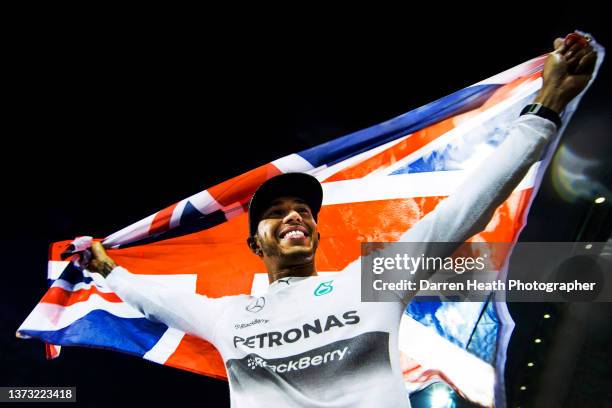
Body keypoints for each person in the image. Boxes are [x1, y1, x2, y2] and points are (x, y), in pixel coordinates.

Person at [86, 34, 597, 407]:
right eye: (276, 214)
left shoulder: (368, 280)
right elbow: (149, 296)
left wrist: (546, 106)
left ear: (314, 233)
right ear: (254, 245)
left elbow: (462, 210)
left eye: (304, 212)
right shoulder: (228, 316)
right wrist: (103, 265)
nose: (294, 217)